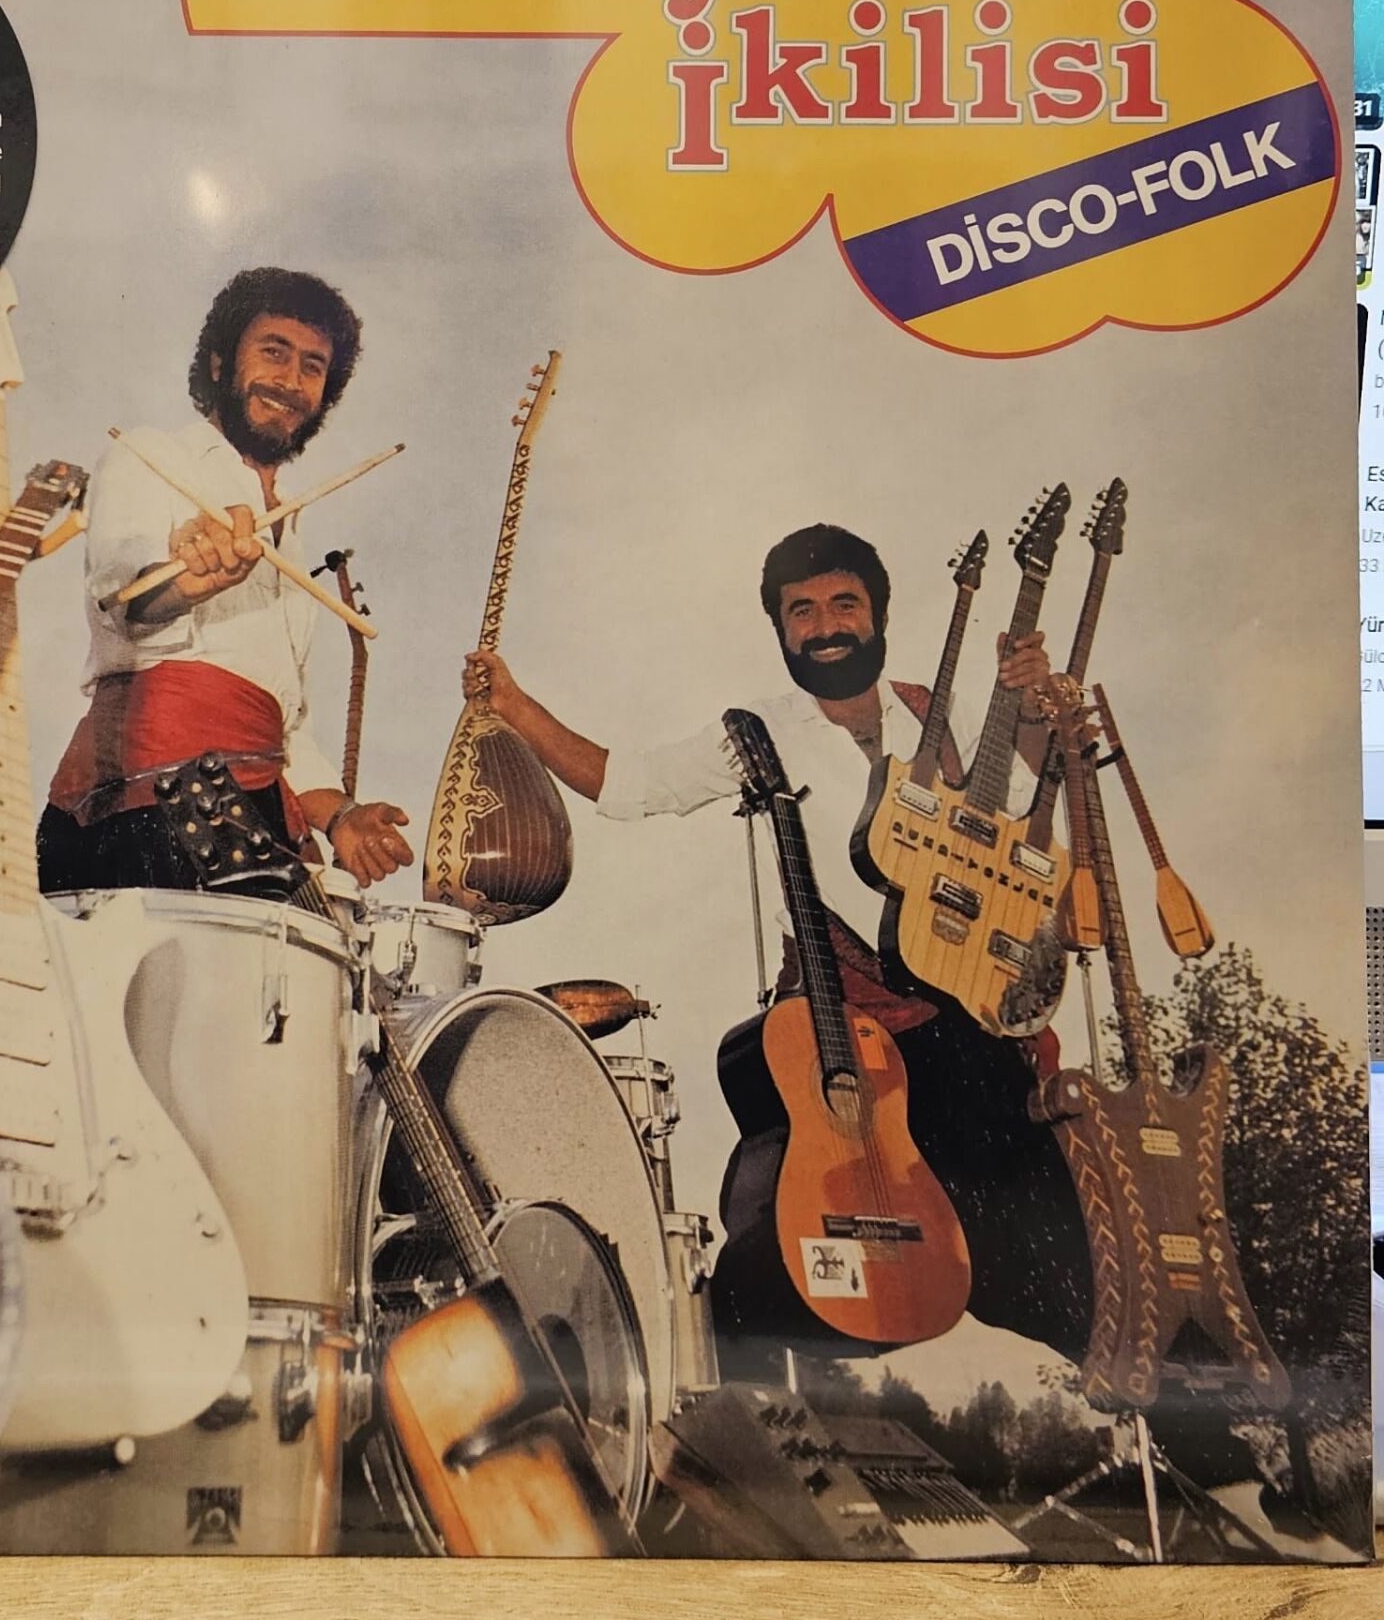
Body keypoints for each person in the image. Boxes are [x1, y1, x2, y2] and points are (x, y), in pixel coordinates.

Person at [462, 521, 1095, 1373]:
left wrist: (1036, 712)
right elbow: (630, 781)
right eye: (803, 611)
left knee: (1066, 1274)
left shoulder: (937, 716)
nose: (826, 626)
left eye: (844, 604)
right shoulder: (758, 731)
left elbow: (1031, 829)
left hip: (973, 1035)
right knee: (787, 1280)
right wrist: (512, 705)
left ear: (877, 615)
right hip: (860, 1043)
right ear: (782, 630)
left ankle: (1213, 1433)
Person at [39, 267, 413, 894]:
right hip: (147, 801)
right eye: (274, 352)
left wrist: (339, 815)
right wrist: (189, 580)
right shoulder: (150, 454)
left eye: (313, 366)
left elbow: (280, 726)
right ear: (219, 363)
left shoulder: (290, 525)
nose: (291, 381)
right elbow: (124, 592)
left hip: (251, 807)